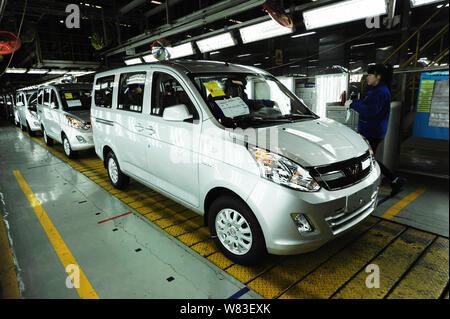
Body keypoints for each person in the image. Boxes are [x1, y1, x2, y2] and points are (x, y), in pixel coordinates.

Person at [346, 63, 405, 196]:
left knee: (368, 159)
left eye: (369, 75)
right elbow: (367, 103)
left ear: (377, 76)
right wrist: (355, 102)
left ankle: (393, 180)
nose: (367, 78)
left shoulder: (380, 91)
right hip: (371, 130)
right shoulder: (377, 90)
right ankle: (394, 180)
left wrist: (353, 105)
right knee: (369, 158)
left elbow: (371, 110)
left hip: (372, 132)